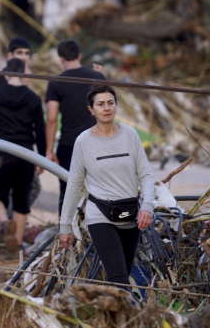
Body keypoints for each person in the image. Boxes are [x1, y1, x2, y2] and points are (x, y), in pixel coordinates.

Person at [59, 86, 154, 286]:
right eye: (100, 104)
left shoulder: (130, 135)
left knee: (123, 275)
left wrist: (147, 206)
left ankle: (114, 314)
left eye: (110, 103)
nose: (106, 108)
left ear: (116, 106)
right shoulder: (83, 141)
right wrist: (65, 226)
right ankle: (131, 316)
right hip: (100, 214)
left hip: (131, 213)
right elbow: (74, 184)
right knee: (118, 278)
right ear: (91, 110)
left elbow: (145, 174)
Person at [0, 58, 46, 253]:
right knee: (21, 200)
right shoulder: (33, 98)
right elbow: (40, 131)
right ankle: (15, 243)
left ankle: (5, 222)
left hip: (3, 153)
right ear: (25, 74)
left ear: (6, 74)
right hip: (26, 155)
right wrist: (41, 159)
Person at [45, 39, 106, 209]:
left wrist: (49, 150)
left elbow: (51, 119)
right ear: (79, 56)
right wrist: (101, 76)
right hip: (97, 142)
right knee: (99, 189)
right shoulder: (98, 78)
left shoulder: (56, 82)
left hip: (68, 144)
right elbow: (108, 106)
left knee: (67, 191)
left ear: (61, 58)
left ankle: (65, 232)